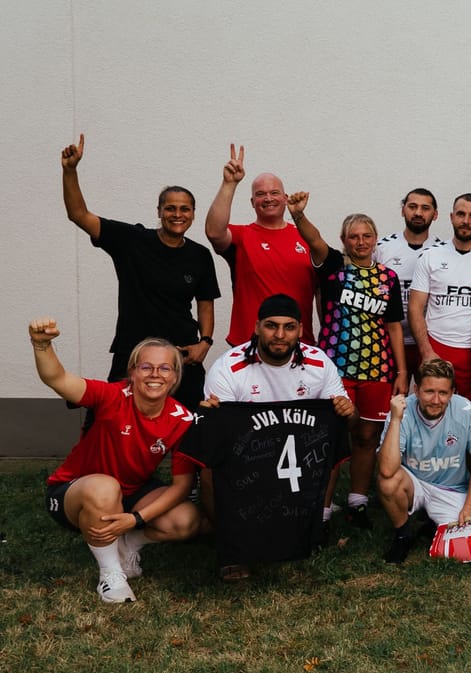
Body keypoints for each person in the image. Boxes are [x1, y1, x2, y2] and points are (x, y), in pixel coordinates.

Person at [32, 318, 205, 603]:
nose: (155, 375)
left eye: (165, 368)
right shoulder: (111, 395)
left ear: (175, 376)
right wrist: (42, 345)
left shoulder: (182, 419)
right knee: (104, 487)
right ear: (132, 372)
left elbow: (181, 487)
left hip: (131, 493)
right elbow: (58, 379)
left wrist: (135, 520)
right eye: (146, 367)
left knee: (185, 520)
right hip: (74, 492)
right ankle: (110, 575)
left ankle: (128, 545)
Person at [60, 134, 220, 406]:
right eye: (170, 208)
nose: (177, 214)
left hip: (180, 353)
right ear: (159, 211)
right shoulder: (131, 240)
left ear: (193, 213)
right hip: (132, 351)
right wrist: (70, 170)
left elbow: (205, 304)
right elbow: (78, 214)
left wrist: (204, 342)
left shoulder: (200, 255)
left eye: (185, 209)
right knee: (109, 418)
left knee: (194, 424)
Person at [202, 294, 355, 577]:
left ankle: (314, 525)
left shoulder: (318, 362)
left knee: (332, 438)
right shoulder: (228, 367)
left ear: (299, 329)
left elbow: (345, 414)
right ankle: (231, 546)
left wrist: (346, 409)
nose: (280, 335)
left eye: (289, 327)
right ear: (257, 326)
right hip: (248, 452)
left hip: (297, 451)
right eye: (272, 326)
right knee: (212, 466)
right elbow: (220, 430)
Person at [286, 197, 406, 527]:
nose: (361, 241)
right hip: (335, 369)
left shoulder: (388, 278)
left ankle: (358, 501)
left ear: (375, 239)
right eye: (354, 236)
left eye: (367, 235)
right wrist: (298, 215)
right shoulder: (334, 266)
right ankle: (321, 510)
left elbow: (394, 325)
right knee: (333, 436)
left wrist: (402, 369)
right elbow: (312, 239)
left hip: (378, 369)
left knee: (367, 436)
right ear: (343, 241)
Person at [375, 359, 471, 564]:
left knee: (466, 551)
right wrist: (395, 420)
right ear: (416, 390)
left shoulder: (466, 410)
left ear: (453, 392)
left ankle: (429, 521)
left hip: (451, 488)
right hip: (414, 484)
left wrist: (470, 506)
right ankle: (403, 534)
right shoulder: (402, 410)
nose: (436, 400)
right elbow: (386, 469)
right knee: (388, 481)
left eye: (443, 393)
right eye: (429, 392)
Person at [204, 144, 317, 346]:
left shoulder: (306, 237)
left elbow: (321, 291)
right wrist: (229, 183)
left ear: (285, 198)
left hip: (297, 345)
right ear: (252, 201)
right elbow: (214, 232)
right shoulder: (241, 236)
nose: (268, 198)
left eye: (274, 193)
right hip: (249, 344)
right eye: (260, 194)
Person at [408, 193, 471, 408]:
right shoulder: (431, 256)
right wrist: (426, 352)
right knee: (433, 413)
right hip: (437, 350)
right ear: (451, 217)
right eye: (461, 214)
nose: (466, 221)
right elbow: (415, 309)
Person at [375, 188, 447, 380]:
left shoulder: (443, 251)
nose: (418, 213)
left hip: (428, 342)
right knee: (392, 401)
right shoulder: (382, 248)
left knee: (430, 401)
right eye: (412, 206)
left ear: (435, 214)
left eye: (425, 208)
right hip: (388, 341)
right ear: (402, 210)